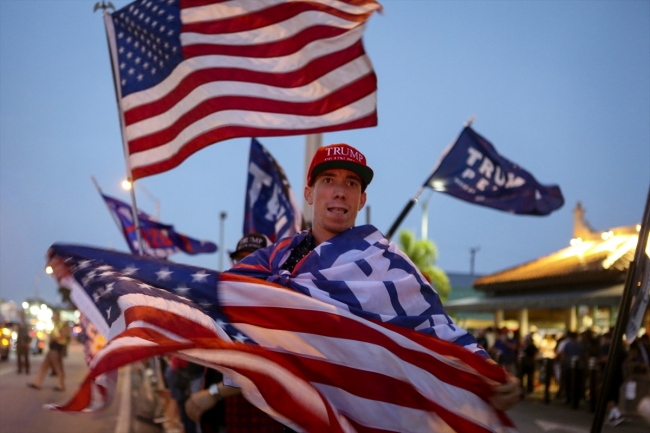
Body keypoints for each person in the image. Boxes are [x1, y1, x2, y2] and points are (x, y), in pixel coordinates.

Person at [227, 143, 521, 412]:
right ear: (309, 193)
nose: (339, 192)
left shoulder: (388, 262)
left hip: (362, 413)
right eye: (328, 180)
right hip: (295, 414)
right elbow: (221, 292)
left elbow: (438, 327)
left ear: (362, 199)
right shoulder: (278, 258)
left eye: (351, 183)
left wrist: (488, 370)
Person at [185, 233, 285, 433]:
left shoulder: (275, 309)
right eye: (241, 259)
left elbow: (268, 368)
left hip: (259, 422)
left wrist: (213, 393)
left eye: (254, 259)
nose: (246, 265)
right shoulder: (231, 304)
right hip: (226, 419)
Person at [28, 310, 70, 391]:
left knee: (58, 367)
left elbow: (63, 336)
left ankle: (61, 385)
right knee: (44, 365)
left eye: (55, 316)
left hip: (57, 348)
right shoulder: (56, 325)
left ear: (58, 316)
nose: (53, 318)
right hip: (53, 348)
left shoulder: (61, 325)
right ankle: (37, 383)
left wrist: (53, 338)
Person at [16, 310, 31, 375]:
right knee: (19, 356)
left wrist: (27, 342)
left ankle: (27, 369)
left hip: (25, 342)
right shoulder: (18, 324)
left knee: (26, 356)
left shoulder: (27, 325)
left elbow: (29, 334)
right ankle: (19, 369)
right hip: (19, 342)